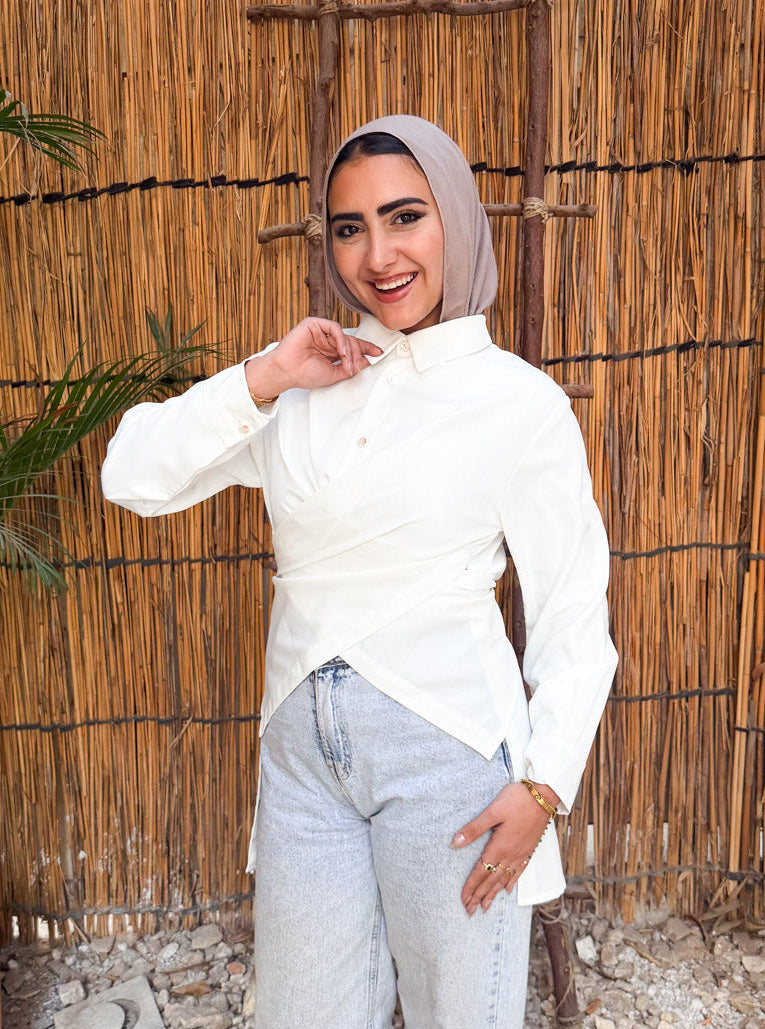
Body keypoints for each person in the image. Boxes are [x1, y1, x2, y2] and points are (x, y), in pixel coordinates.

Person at [102, 115, 618, 1029]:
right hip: (303, 768)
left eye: (404, 216)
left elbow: (574, 610)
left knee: (459, 1014)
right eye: (348, 227)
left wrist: (544, 786)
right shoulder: (310, 382)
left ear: (455, 218)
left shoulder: (519, 404)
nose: (376, 254)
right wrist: (263, 376)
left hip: (448, 764)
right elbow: (131, 475)